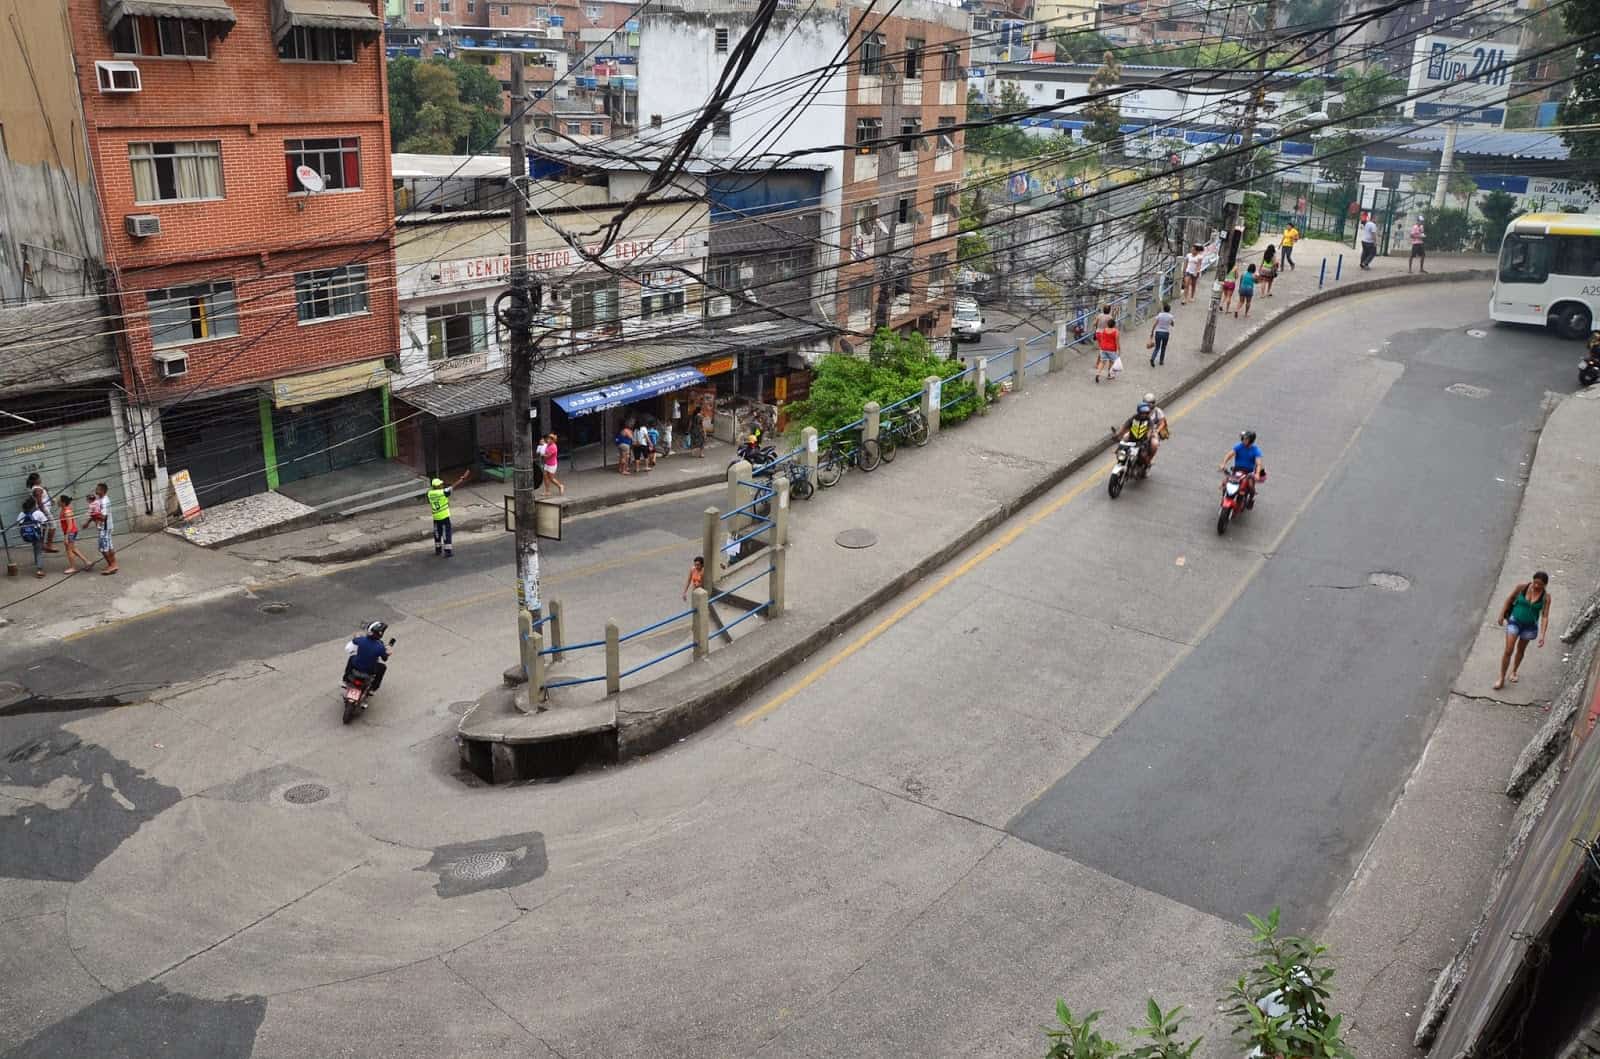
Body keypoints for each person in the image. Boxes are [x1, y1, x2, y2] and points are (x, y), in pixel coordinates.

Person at [1494, 572, 1551, 690]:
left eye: (1540, 584)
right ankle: (1501, 678)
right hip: (1515, 621)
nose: (1536, 586)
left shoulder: (1546, 597)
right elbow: (1509, 599)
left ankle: (1514, 671)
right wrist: (1501, 614)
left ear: (1545, 585)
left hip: (1529, 627)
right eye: (1535, 582)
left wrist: (1542, 635)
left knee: (1520, 650)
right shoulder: (1522, 587)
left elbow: (1545, 616)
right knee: (1508, 650)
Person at [425, 469, 470, 557]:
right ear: (437, 486)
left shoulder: (430, 493)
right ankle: (448, 551)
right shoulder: (442, 492)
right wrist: (462, 479)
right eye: (440, 484)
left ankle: (438, 550)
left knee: (437, 533)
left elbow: (439, 489)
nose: (442, 485)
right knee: (446, 533)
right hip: (444, 517)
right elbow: (453, 487)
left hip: (435, 517)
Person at [343, 621, 392, 698]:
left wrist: (356, 636)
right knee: (383, 667)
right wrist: (388, 652)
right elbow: (385, 659)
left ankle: (345, 678)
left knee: (352, 657)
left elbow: (353, 641)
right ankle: (373, 688)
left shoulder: (361, 640)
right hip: (370, 671)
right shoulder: (381, 647)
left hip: (356, 666)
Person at [1219, 430, 1265, 504]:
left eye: (1246, 439)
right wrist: (1223, 463)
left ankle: (1250, 499)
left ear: (1251, 441)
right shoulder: (1239, 446)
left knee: (1250, 486)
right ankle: (1225, 496)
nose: (1243, 440)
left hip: (1248, 473)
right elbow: (1229, 455)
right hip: (1237, 470)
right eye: (1243, 438)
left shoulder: (1256, 450)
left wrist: (1257, 474)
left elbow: (1258, 463)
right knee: (1225, 483)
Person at [56, 494, 92, 573]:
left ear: (63, 503)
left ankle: (73, 567)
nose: (57, 502)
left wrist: (66, 537)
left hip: (70, 532)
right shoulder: (64, 509)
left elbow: (70, 525)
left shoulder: (67, 511)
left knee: (69, 550)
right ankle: (87, 562)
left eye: (59, 501)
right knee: (73, 548)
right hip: (71, 532)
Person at [88, 482, 118, 575]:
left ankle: (112, 565)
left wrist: (94, 515)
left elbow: (104, 517)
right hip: (107, 527)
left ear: (102, 490)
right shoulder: (101, 499)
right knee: (109, 546)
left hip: (104, 528)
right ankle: (113, 564)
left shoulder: (104, 501)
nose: (96, 490)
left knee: (103, 548)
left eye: (97, 489)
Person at [14, 497, 48, 578]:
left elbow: (19, 524)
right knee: (39, 550)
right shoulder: (39, 513)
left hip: (26, 536)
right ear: (34, 504)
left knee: (35, 546)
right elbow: (45, 524)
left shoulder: (22, 514)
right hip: (37, 535)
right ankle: (39, 570)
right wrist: (43, 535)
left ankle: (36, 562)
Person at [1116, 402, 1156, 472]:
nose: (1144, 415)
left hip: (1143, 442)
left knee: (1143, 455)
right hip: (1131, 440)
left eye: (1146, 413)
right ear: (1139, 412)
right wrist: (1118, 434)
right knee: (1120, 450)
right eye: (1142, 413)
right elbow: (1124, 426)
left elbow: (1150, 430)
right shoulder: (1133, 418)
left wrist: (1147, 437)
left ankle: (1147, 465)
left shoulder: (1149, 421)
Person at [25, 473, 57, 553]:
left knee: (43, 527)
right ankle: (49, 545)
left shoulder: (36, 488)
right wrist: (45, 513)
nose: (40, 479)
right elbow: (39, 503)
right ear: (35, 480)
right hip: (43, 510)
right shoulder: (37, 489)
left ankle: (42, 545)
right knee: (53, 526)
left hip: (42, 510)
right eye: (39, 478)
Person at [1142, 391, 1169, 465]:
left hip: (1153, 432)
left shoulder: (1158, 411)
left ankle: (1149, 460)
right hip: (1141, 430)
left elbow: (1162, 423)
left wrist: (1157, 431)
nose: (1149, 405)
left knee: (1154, 444)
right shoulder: (1141, 409)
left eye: (1151, 403)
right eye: (1146, 402)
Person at [1149, 302, 1175, 367]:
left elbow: (1155, 324)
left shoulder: (1160, 315)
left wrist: (1152, 332)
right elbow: (1172, 324)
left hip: (1158, 332)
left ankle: (1152, 358)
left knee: (1157, 347)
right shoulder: (1170, 316)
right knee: (1163, 347)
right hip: (1166, 333)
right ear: (1169, 310)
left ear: (1163, 309)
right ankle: (1161, 361)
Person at [1095, 317, 1120, 383]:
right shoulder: (1116, 332)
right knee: (1111, 362)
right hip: (1111, 349)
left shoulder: (1104, 330)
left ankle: (1098, 373)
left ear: (1107, 324)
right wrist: (1118, 350)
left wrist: (1101, 347)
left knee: (1102, 362)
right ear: (1114, 325)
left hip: (1103, 348)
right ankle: (1109, 374)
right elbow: (1117, 342)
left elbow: (1103, 339)